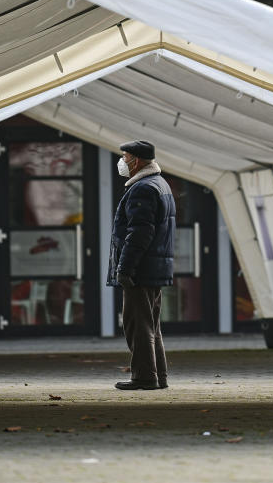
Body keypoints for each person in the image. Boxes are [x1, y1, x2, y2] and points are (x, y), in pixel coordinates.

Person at [107, 140, 176, 390]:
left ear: (136, 161)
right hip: (153, 268)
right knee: (151, 324)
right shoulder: (161, 184)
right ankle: (159, 376)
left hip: (141, 269)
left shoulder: (143, 189)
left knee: (137, 325)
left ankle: (144, 377)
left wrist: (125, 267)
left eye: (125, 158)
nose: (122, 163)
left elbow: (138, 233)